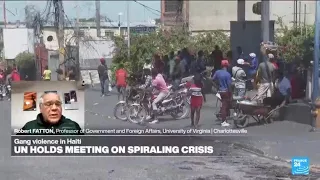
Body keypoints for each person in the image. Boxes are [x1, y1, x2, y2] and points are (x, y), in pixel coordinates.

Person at [17, 92, 83, 135]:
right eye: (48, 104)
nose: (54, 108)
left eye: (58, 104)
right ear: (40, 108)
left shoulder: (74, 126)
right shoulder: (28, 127)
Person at [212, 60, 232, 127]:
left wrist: (216, 86)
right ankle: (223, 121)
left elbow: (212, 80)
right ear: (226, 66)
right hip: (225, 91)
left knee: (224, 105)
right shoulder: (228, 74)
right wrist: (230, 93)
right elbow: (229, 86)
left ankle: (225, 118)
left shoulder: (217, 72)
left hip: (220, 91)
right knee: (224, 106)